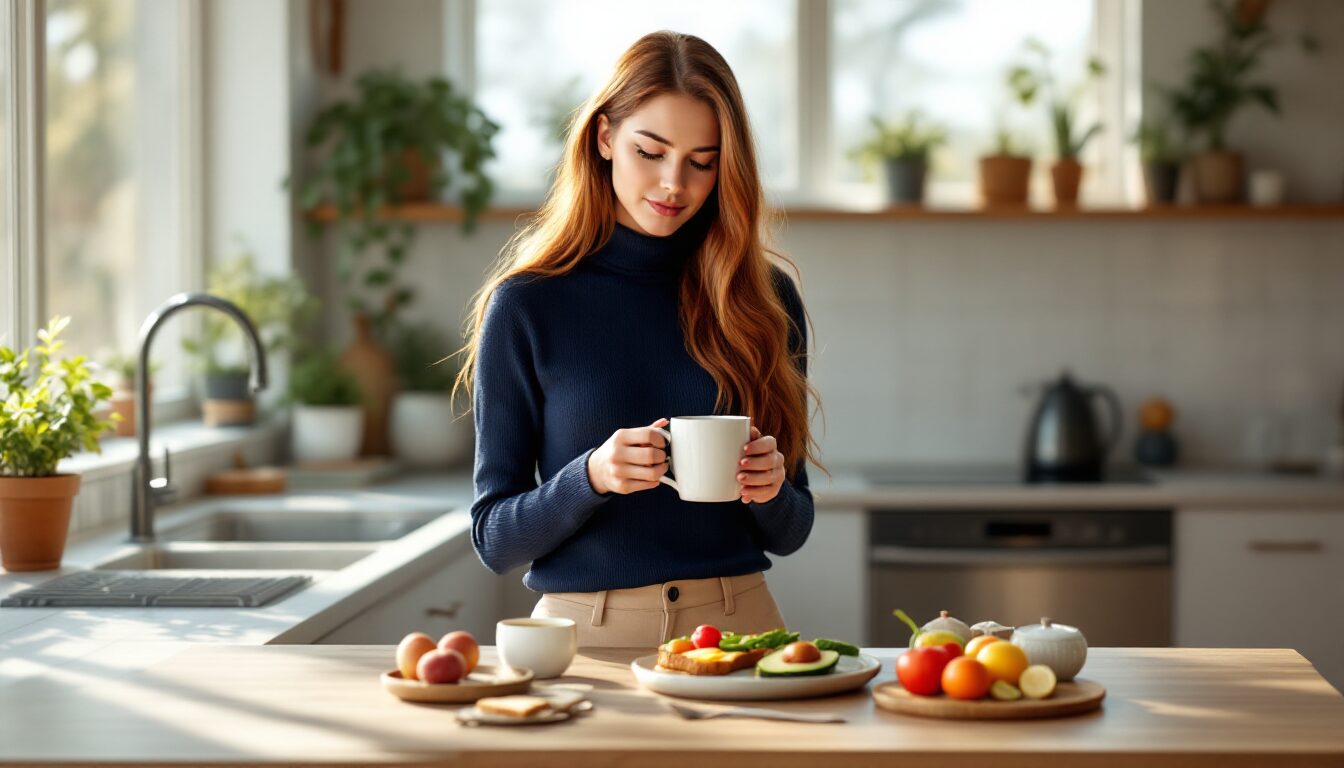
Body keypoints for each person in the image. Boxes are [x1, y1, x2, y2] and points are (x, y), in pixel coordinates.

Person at [454, 30, 823, 648]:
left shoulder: (764, 300)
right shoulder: (527, 304)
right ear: (604, 138)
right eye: (649, 152)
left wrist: (771, 490)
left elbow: (791, 530)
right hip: (584, 636)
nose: (673, 183)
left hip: (739, 628)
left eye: (701, 161)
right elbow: (494, 538)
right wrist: (591, 476)